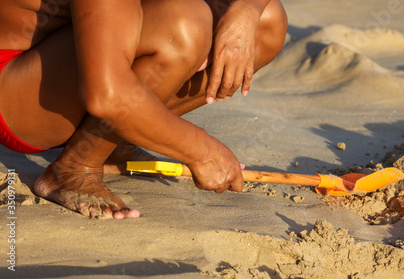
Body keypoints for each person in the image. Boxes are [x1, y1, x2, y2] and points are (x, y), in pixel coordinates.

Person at [0, 0, 287, 219]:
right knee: (183, 25)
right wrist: (201, 149)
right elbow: (106, 97)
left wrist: (247, 10)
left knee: (265, 19)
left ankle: (110, 142)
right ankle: (75, 167)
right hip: (16, 91)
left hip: (85, 44)